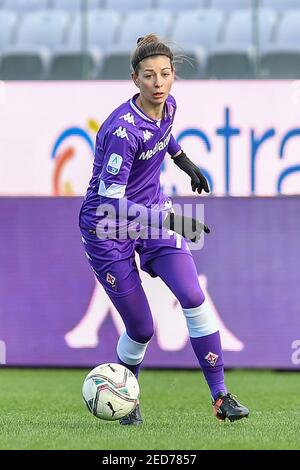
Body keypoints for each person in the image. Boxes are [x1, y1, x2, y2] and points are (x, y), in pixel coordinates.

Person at [79, 34, 249, 425]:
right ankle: (126, 400)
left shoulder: (168, 106)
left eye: (165, 75)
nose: (158, 83)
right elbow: (111, 203)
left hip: (153, 215)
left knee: (193, 295)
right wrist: (171, 219)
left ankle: (221, 398)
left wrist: (184, 161)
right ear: (134, 79)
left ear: (173, 77)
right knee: (141, 327)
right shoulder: (121, 132)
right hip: (108, 228)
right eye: (149, 76)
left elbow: (164, 134)